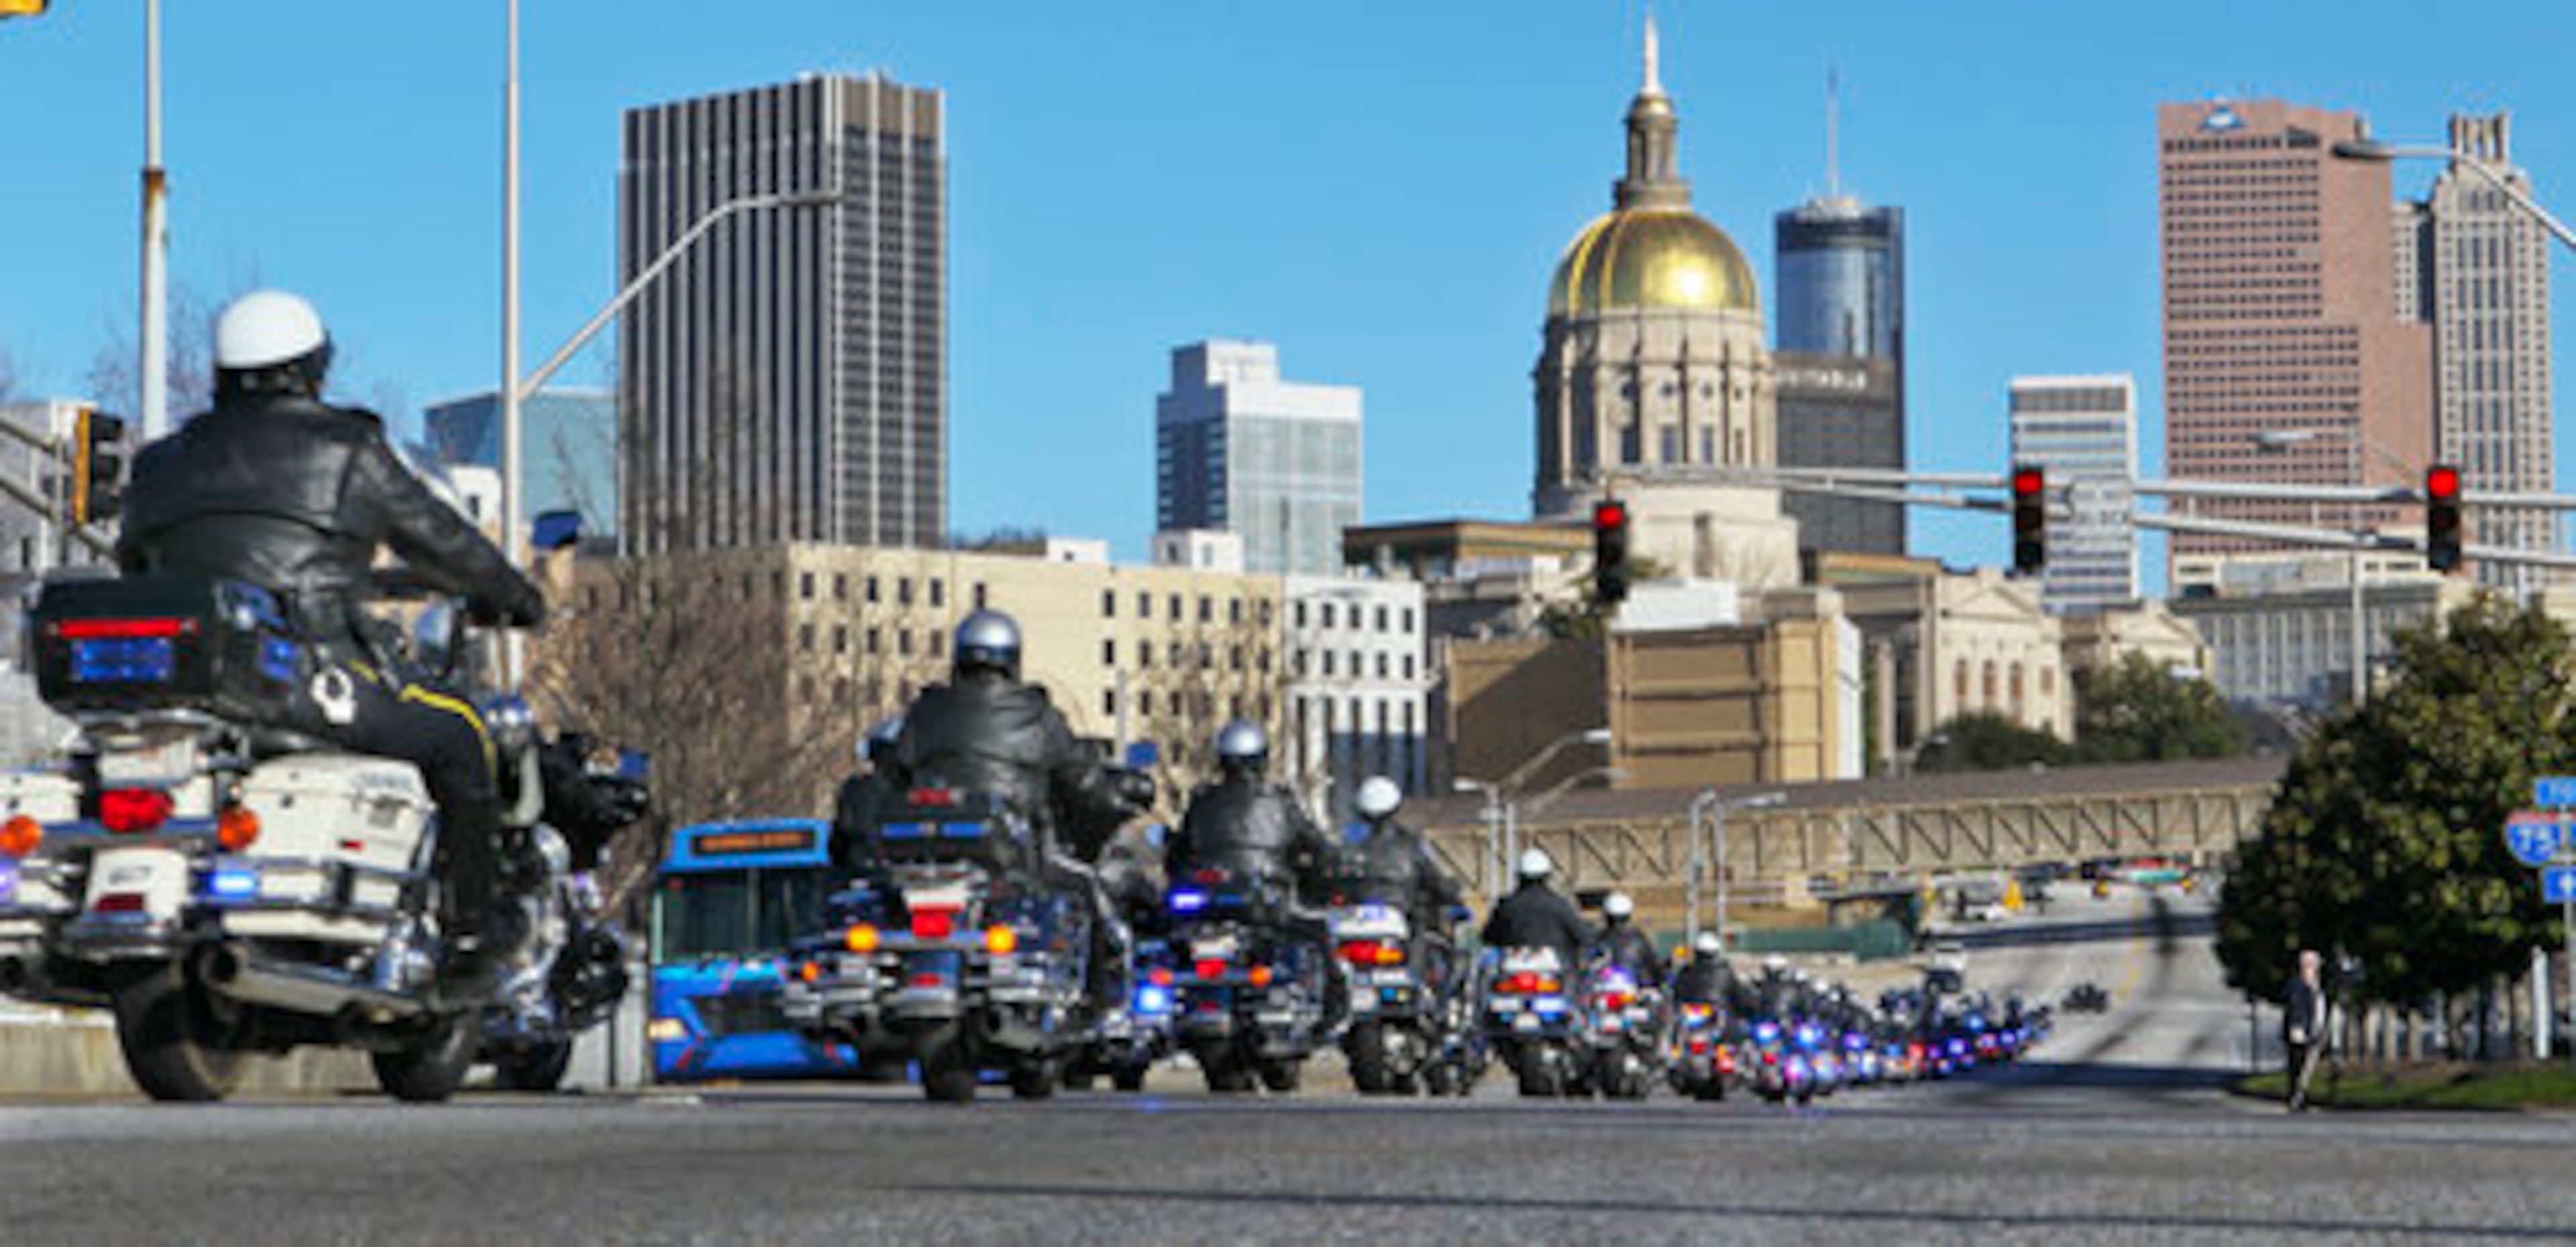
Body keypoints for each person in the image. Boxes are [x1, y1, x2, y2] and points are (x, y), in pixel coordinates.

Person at [114, 290, 547, 992]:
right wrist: (518, 596)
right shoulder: (345, 447)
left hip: (187, 687)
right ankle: (471, 933)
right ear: (311, 368)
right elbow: (441, 539)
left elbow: (133, 563)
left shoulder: (161, 461)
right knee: (463, 732)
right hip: (313, 676)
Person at [1167, 721, 1336, 902]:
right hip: (1268, 894)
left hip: (1211, 895)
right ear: (1263, 758)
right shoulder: (1280, 800)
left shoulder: (1203, 799)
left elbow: (1179, 851)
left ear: (1221, 759)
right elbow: (1314, 844)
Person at [1480, 849, 1595, 973]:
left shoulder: (1507, 906)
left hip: (1512, 972)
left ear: (1519, 876)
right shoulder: (1559, 905)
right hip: (1554, 974)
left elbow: (1488, 936)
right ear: (1547, 876)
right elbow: (1583, 936)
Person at [2284, 948, 2330, 1112]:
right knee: (2299, 1066)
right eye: (2313, 964)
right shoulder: (2298, 983)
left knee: (2307, 1067)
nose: (2316, 967)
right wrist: (2297, 1027)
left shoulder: (2314, 983)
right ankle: (2297, 1098)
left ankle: (2301, 1096)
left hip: (2314, 1030)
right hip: (2300, 1032)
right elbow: (2296, 1007)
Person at [1593, 891, 1668, 989]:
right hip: (1628, 988)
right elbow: (1653, 965)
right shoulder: (1638, 938)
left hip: (1613, 988)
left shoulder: (1598, 938)